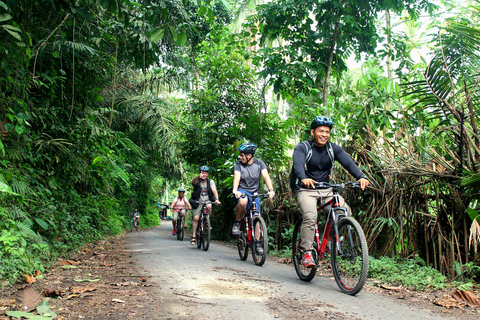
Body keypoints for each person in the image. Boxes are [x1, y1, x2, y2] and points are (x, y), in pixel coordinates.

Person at [292, 116, 369, 268]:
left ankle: (330, 242)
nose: (324, 134)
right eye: (321, 131)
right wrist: (303, 178)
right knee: (310, 215)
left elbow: (348, 162)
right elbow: (298, 165)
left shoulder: (333, 148)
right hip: (306, 190)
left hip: (326, 190)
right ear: (313, 132)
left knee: (344, 210)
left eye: (327, 132)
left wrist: (361, 177)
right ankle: (307, 252)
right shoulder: (302, 148)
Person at [232, 143, 275, 255]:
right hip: (242, 190)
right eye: (240, 155)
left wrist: (271, 190)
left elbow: (266, 176)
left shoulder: (259, 163)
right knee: (243, 201)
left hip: (255, 192)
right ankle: (237, 223)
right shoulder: (238, 165)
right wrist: (235, 190)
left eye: (242, 155)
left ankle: (257, 243)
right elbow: (237, 177)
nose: (240, 157)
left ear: (249, 155)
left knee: (256, 216)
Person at [190, 165, 221, 245]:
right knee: (196, 218)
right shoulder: (197, 180)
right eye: (202, 172)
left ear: (207, 174)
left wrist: (217, 199)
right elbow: (193, 182)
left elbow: (214, 190)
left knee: (209, 206)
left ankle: (207, 221)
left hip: (207, 200)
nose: (203, 174)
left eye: (205, 173)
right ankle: (193, 236)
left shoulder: (210, 181)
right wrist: (198, 176)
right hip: (198, 201)